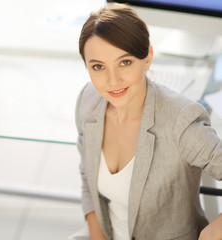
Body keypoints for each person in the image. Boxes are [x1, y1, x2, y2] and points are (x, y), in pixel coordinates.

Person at [74, 3, 222, 240]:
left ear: (147, 58)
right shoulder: (87, 100)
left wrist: (215, 231)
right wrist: (96, 235)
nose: (112, 80)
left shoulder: (180, 120)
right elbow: (86, 177)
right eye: (98, 67)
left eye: (125, 62)